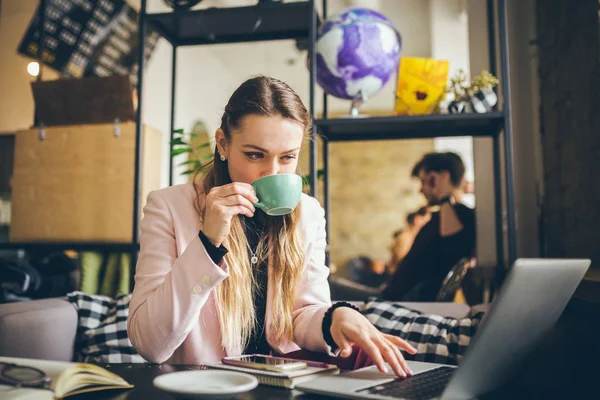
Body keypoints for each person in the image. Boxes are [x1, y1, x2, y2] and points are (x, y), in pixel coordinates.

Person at [127, 76, 416, 377]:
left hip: (284, 385)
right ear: (223, 143)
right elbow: (150, 345)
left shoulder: (309, 215)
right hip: (204, 388)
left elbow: (302, 316)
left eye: (288, 157)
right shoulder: (168, 208)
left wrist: (335, 317)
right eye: (255, 155)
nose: (271, 172)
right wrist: (208, 243)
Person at [382, 152, 476, 301]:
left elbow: (454, 245)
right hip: (390, 297)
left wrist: (445, 195)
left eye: (424, 181)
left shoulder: (460, 214)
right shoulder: (443, 216)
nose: (421, 190)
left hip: (398, 303)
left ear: (443, 177)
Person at [387, 206, 431, 273]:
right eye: (427, 221)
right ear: (417, 219)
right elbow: (405, 262)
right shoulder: (405, 237)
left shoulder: (416, 237)